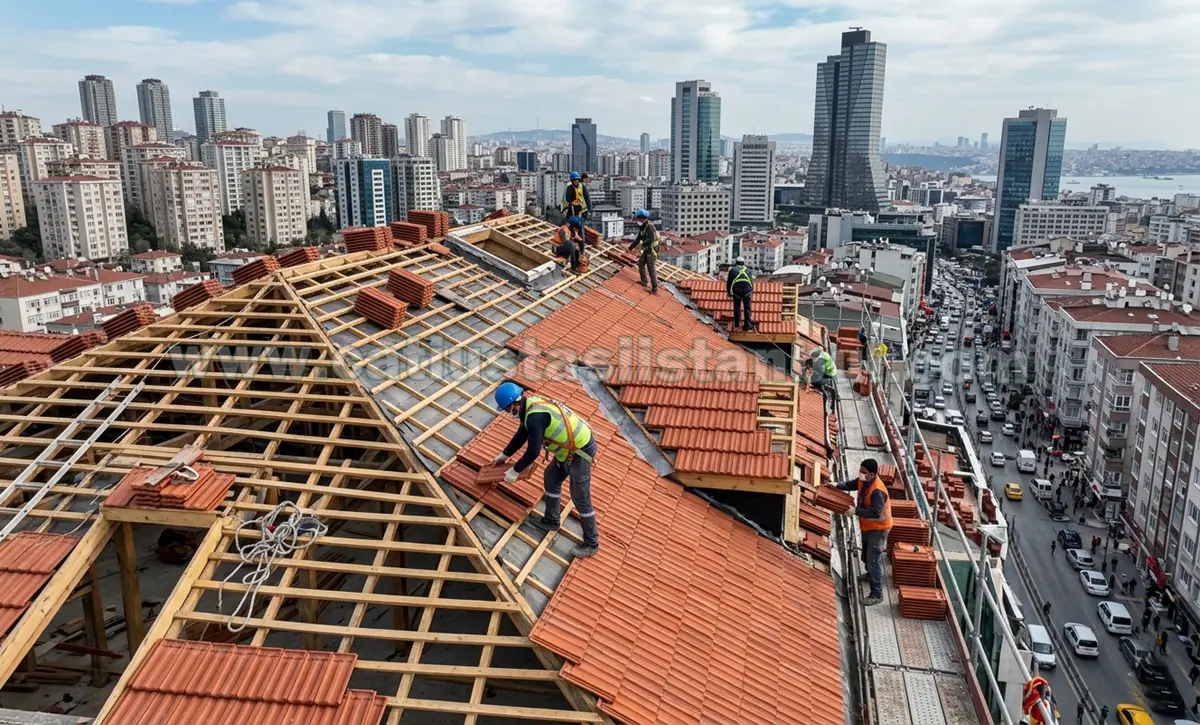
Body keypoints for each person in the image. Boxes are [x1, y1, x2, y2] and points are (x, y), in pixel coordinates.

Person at [491, 382, 600, 558]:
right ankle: (551, 521)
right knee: (551, 478)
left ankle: (591, 544)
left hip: (581, 451)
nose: (506, 412)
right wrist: (504, 455)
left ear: (514, 403)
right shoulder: (529, 408)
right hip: (568, 450)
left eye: (506, 409)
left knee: (580, 498)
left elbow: (534, 451)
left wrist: (515, 470)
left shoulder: (535, 417)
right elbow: (521, 435)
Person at [834, 458, 892, 606]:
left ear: (872, 474)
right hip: (868, 526)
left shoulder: (877, 491)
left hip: (878, 529)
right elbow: (852, 484)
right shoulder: (864, 481)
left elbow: (875, 512)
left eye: (863, 472)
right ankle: (869, 575)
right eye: (860, 470)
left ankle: (877, 594)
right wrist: (836, 486)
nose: (860, 474)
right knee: (866, 554)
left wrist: (855, 511)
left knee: (874, 560)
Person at [628, 209, 659, 295]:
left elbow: (650, 240)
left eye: (638, 219)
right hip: (646, 250)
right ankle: (644, 281)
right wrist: (630, 248)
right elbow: (638, 238)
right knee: (641, 264)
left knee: (651, 269)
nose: (637, 221)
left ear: (642, 218)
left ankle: (654, 288)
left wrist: (641, 247)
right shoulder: (643, 227)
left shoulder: (650, 227)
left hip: (651, 251)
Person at [726, 257, 754, 331]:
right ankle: (747, 326)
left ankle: (737, 325)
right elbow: (751, 282)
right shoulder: (748, 270)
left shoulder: (733, 270)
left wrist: (729, 292)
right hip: (747, 290)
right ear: (743, 263)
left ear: (736, 263)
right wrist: (751, 292)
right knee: (747, 308)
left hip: (737, 290)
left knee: (737, 308)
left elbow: (729, 282)